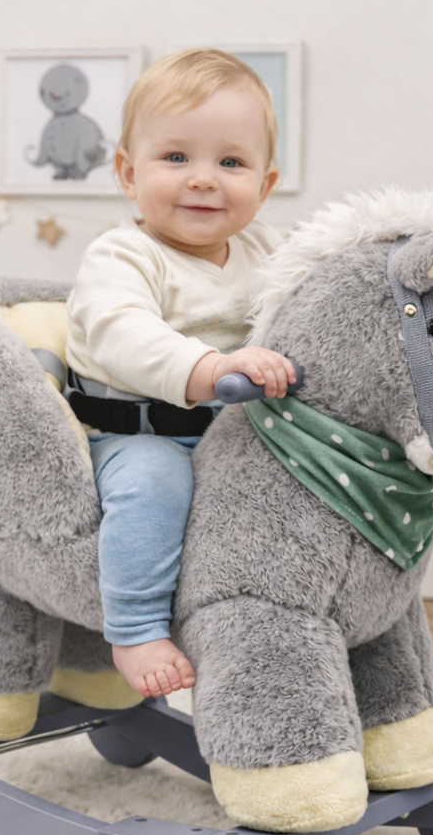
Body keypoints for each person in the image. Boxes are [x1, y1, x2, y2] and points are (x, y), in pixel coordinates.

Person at [65, 48, 295, 700]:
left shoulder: (268, 249)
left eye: (231, 163)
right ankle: (136, 628)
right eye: (175, 157)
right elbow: (123, 335)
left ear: (265, 185)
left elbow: (317, 296)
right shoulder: (123, 256)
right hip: (134, 433)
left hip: (232, 433)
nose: (203, 180)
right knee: (154, 486)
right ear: (127, 172)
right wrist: (212, 368)